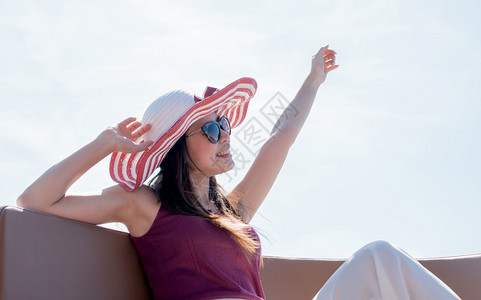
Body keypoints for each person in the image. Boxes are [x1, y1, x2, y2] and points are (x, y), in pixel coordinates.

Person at [17, 45, 460, 300]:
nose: (225, 133)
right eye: (211, 127)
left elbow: (279, 138)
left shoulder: (235, 211)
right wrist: (103, 145)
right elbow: (34, 202)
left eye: (225, 123)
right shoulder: (143, 206)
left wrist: (313, 81)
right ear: (176, 147)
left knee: (380, 259)